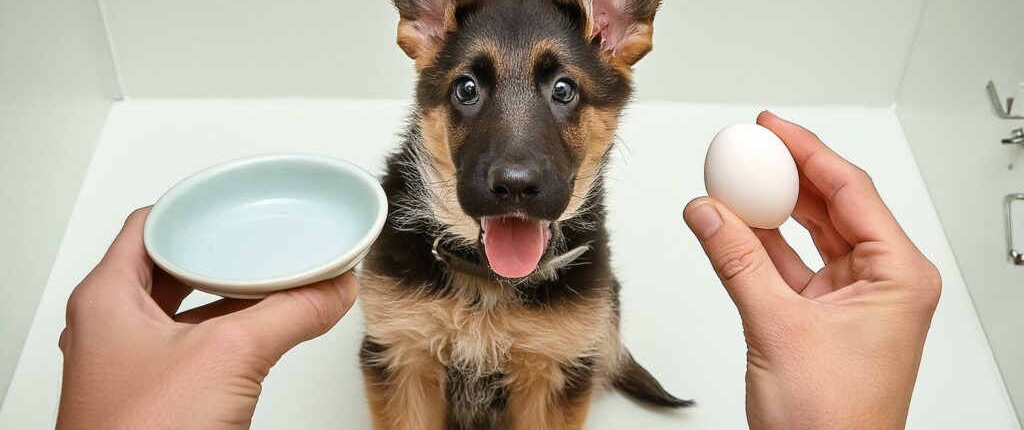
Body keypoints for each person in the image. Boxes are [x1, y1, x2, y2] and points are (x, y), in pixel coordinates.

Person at [55, 112, 940, 430]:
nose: (515, 170)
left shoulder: (577, 281)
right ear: (424, 46)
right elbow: (392, 363)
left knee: (561, 366)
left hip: (558, 336)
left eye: (562, 92)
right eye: (470, 90)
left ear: (616, 47)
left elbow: (555, 381)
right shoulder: (392, 258)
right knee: (407, 360)